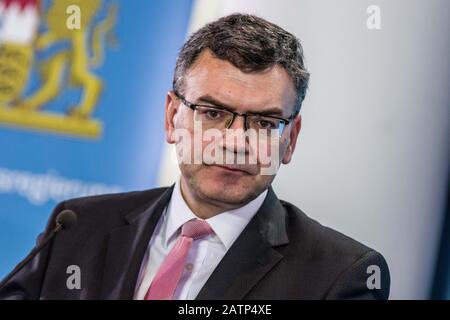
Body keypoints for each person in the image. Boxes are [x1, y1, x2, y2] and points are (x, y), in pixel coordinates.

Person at [0, 13, 390, 300]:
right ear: (172, 117)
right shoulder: (77, 226)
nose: (237, 141)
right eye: (213, 113)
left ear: (290, 141)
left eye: (265, 122)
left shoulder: (340, 275)